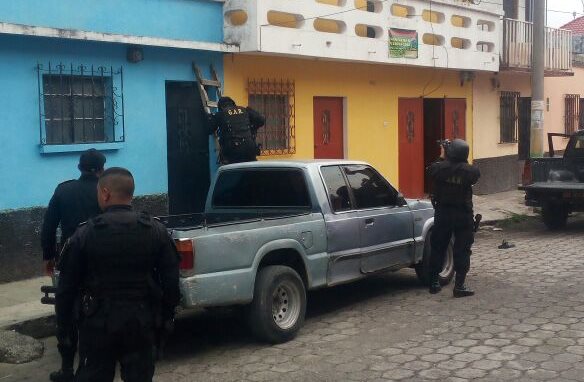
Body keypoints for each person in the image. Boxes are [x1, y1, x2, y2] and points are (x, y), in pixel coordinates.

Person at [55, 167, 180, 382]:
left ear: (105, 193)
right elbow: (171, 283)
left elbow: (66, 288)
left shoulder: (84, 234)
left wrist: (64, 329)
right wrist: (166, 320)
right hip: (140, 323)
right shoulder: (156, 230)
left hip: (97, 326)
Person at [41, 148, 106, 382]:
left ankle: (66, 369)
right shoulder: (105, 192)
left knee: (65, 311)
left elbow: (49, 227)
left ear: (79, 167)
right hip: (99, 260)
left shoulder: (63, 190)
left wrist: (49, 257)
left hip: (69, 260)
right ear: (101, 169)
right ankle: (96, 364)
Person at [426, 139, 480, 298]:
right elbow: (471, 172)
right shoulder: (471, 171)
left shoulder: (438, 168)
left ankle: (434, 283)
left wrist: (443, 155)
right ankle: (459, 286)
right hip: (463, 214)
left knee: (438, 247)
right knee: (463, 249)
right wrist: (458, 157)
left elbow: (431, 170)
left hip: (443, 212)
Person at [209, 96, 266, 164]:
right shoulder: (245, 110)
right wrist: (252, 128)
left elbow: (209, 129)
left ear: (220, 107)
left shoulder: (220, 114)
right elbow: (261, 120)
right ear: (233, 104)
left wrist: (209, 117)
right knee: (252, 170)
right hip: (250, 149)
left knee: (233, 172)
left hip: (232, 152)